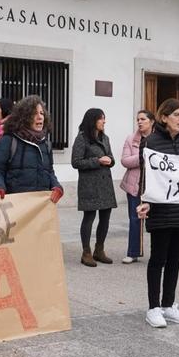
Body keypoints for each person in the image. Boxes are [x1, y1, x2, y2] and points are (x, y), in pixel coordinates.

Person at [135, 99, 179, 328]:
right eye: (177, 115)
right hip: (161, 210)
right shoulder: (150, 142)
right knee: (158, 259)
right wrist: (145, 201)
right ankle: (153, 308)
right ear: (164, 117)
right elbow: (146, 177)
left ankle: (169, 305)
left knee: (175, 259)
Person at [0, 95, 63, 203]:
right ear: (24, 117)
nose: (40, 117)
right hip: (16, 206)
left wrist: (57, 186)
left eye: (42, 113)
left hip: (40, 206)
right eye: (35, 113)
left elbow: (49, 171)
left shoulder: (46, 144)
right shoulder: (9, 140)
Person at [71, 108, 117, 267]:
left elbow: (111, 158)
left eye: (104, 118)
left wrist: (109, 160)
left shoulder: (105, 138)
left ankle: (99, 250)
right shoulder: (82, 139)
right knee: (89, 218)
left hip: (105, 184)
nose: (104, 121)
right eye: (101, 119)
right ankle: (86, 252)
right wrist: (98, 161)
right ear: (93, 120)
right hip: (89, 185)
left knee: (105, 218)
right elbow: (76, 162)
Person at [119, 109, 153, 264]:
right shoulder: (131, 138)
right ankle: (133, 252)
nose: (139, 122)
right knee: (135, 219)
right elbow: (125, 161)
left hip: (154, 186)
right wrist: (142, 157)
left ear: (151, 122)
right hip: (135, 184)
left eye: (143, 119)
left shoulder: (159, 139)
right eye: (138, 119)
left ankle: (157, 252)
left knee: (156, 220)